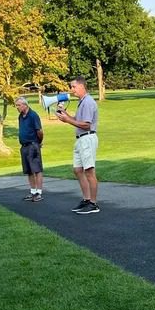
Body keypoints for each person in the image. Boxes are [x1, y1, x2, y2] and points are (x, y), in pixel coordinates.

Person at [55, 76, 99, 214]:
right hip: (81, 139)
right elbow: (78, 121)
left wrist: (68, 120)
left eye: (73, 87)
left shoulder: (88, 102)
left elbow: (86, 125)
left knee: (89, 171)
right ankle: (86, 200)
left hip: (87, 138)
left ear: (81, 86)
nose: (71, 90)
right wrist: (65, 115)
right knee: (78, 170)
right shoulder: (82, 102)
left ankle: (93, 203)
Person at [15, 96, 44, 202]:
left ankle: (39, 192)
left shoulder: (33, 115)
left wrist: (38, 142)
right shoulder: (20, 116)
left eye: (18, 105)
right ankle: (32, 191)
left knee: (37, 169)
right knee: (28, 170)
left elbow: (39, 131)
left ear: (25, 105)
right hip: (24, 146)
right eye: (16, 105)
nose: (17, 107)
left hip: (33, 145)